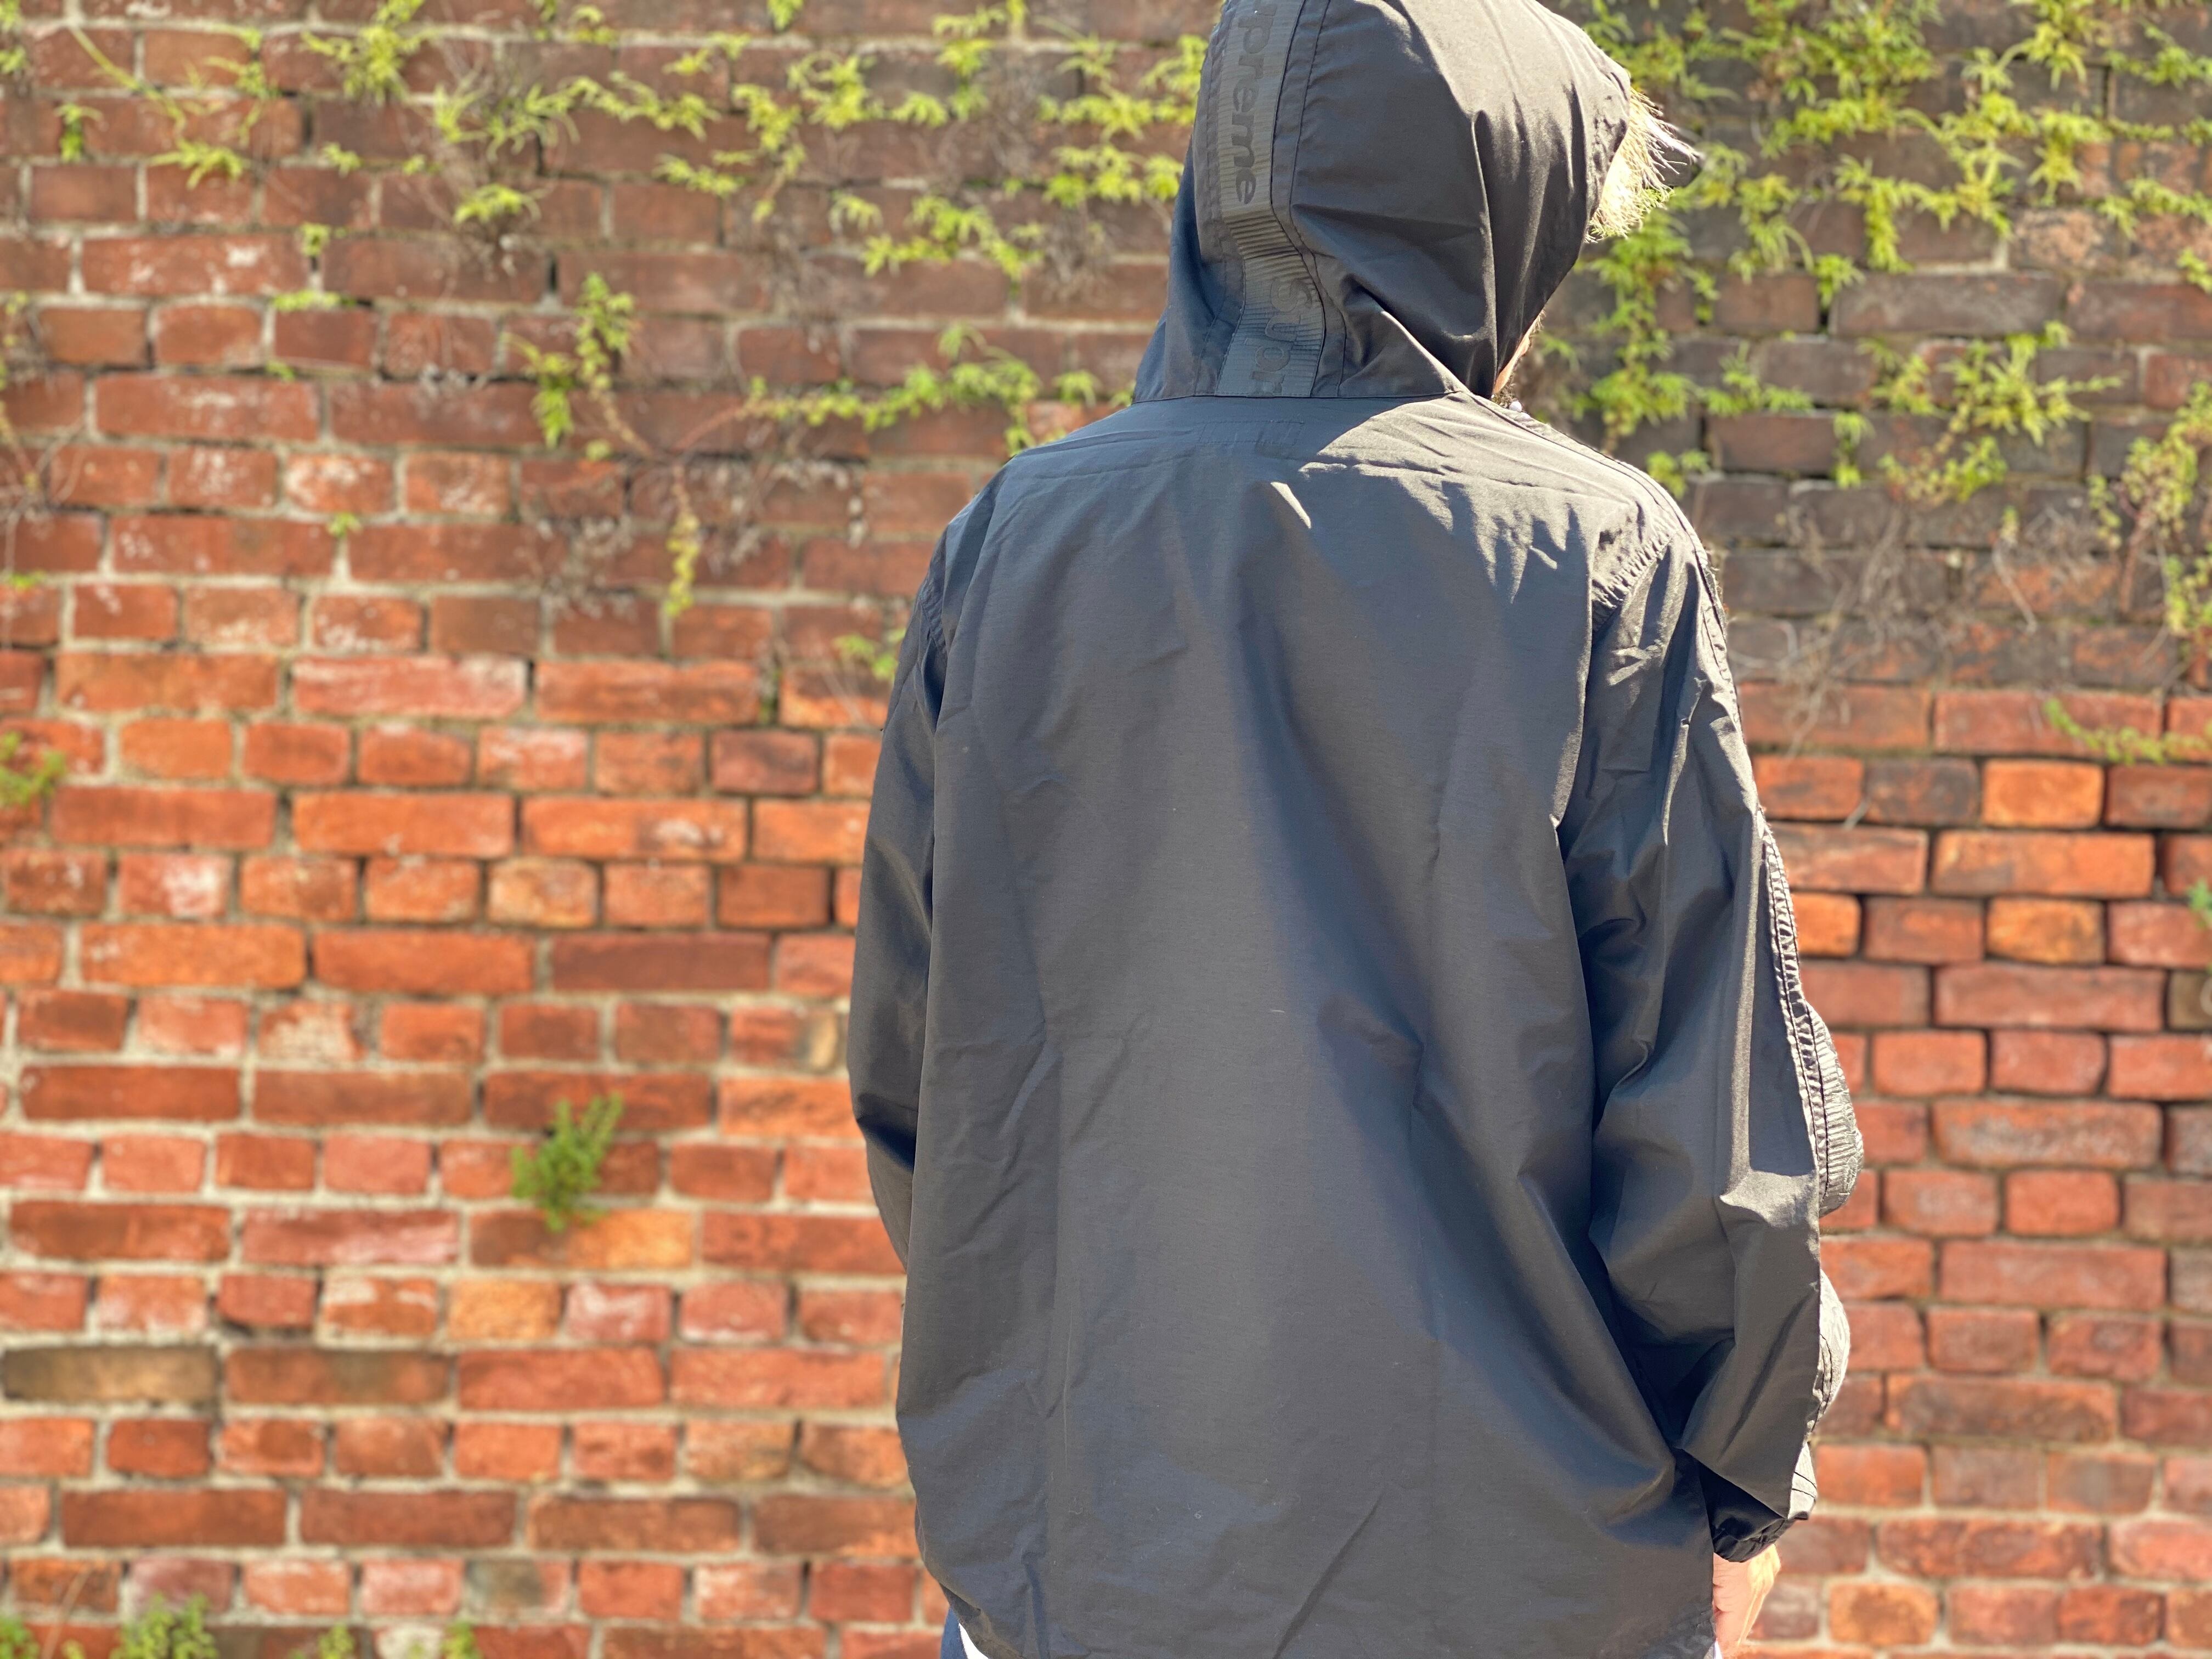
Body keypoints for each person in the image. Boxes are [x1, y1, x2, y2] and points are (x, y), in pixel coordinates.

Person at [847, 0, 1863, 1654]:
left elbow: (925, 1083)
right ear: (1499, 219)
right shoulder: (1595, 554)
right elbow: (1710, 1131)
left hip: (1081, 1572)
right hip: (1520, 1577)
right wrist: (1744, 1489)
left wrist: (1063, 1438)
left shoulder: (1012, 542)